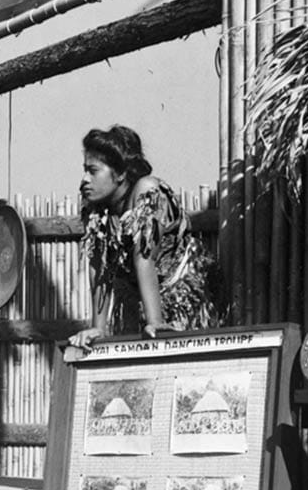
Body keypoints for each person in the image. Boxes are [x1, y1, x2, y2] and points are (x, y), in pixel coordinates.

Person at [68, 125, 221, 349]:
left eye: (93, 171)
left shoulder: (148, 190)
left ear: (120, 173)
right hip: (140, 305)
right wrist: (98, 328)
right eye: (84, 170)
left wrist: (156, 323)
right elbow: (100, 269)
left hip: (184, 301)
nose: (84, 179)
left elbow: (144, 257)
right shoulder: (97, 210)